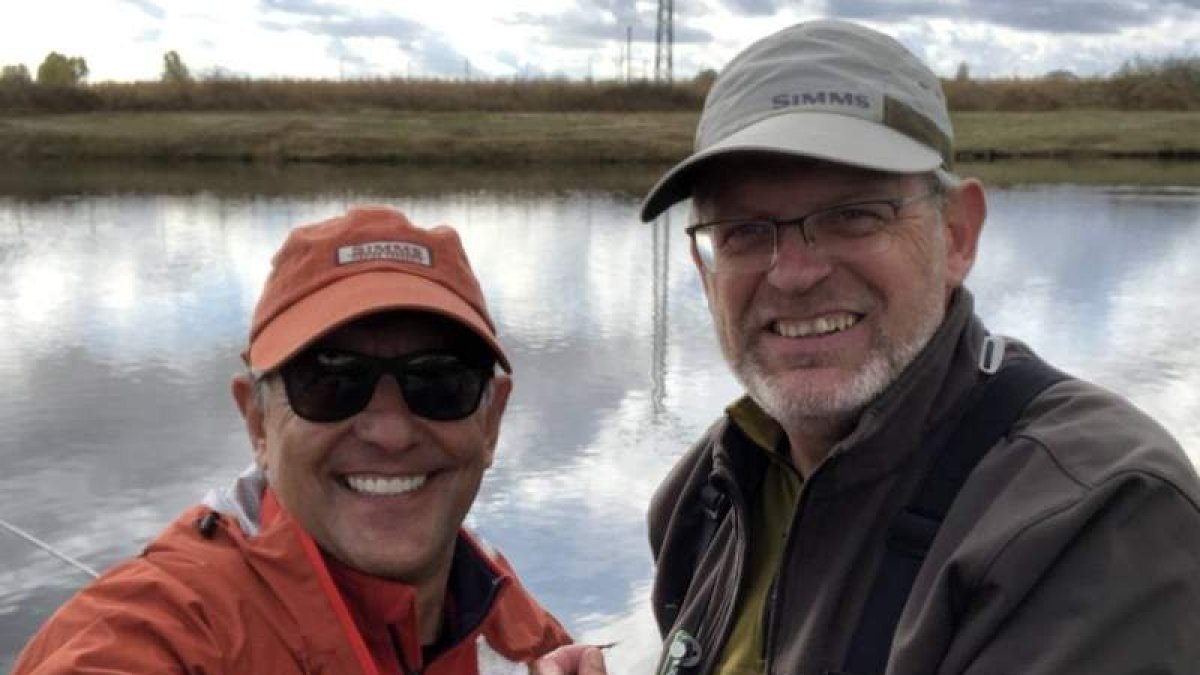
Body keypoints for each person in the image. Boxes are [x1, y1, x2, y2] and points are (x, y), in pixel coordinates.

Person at [543, 17, 1200, 675]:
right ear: (704, 270)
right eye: (744, 229)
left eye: (853, 214)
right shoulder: (710, 492)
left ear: (958, 233)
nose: (795, 273)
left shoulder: (1099, 514)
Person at [13, 207, 573, 674]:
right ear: (257, 423)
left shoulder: (500, 606)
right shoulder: (166, 626)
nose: (391, 432)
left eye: (439, 380)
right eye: (331, 381)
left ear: (491, 420)